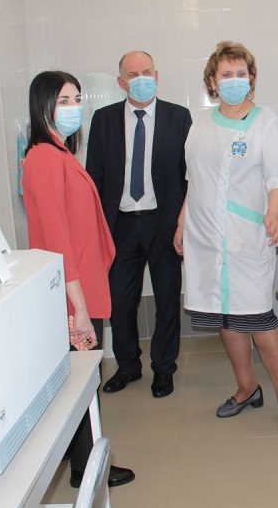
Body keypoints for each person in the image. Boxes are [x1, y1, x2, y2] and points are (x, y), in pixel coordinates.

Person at [173, 41, 278, 435]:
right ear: (213, 81)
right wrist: (181, 223)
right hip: (204, 236)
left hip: (246, 235)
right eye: (225, 74)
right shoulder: (200, 123)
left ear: (251, 78)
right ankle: (247, 388)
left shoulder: (264, 121)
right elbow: (193, 181)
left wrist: (275, 214)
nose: (233, 80)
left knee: (259, 318)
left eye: (240, 73)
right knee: (226, 316)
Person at [22, 70, 135, 488]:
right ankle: (86, 470)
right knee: (83, 382)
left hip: (84, 284)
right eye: (64, 101)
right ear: (43, 106)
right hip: (74, 294)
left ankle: (82, 461)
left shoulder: (61, 153)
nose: (74, 108)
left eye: (76, 99)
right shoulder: (44, 158)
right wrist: (80, 309)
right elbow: (57, 238)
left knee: (83, 379)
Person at [86, 51, 192, 398]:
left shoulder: (179, 117)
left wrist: (183, 223)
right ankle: (128, 366)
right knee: (120, 302)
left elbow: (189, 176)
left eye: (147, 72)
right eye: (133, 74)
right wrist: (97, 228)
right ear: (121, 82)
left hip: (164, 222)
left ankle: (164, 368)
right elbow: (94, 177)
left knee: (167, 300)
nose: (141, 79)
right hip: (120, 225)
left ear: (157, 76)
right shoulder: (104, 120)